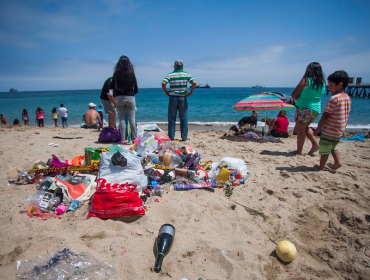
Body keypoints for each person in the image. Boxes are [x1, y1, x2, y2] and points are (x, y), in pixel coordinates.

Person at [313, 71, 351, 171]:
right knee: (333, 146)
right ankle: (338, 162)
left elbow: (326, 116)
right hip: (339, 130)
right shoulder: (347, 98)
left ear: (340, 84)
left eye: (331, 85)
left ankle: (320, 167)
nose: (329, 88)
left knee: (325, 148)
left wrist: (317, 130)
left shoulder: (334, 99)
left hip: (329, 130)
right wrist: (344, 129)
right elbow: (346, 115)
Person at [292, 62, 326, 156]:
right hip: (316, 110)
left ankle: (299, 152)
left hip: (304, 108)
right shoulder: (322, 83)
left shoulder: (306, 80)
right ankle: (314, 144)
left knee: (300, 130)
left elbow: (294, 95)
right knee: (305, 128)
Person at [162, 59, 196, 141]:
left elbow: (163, 83)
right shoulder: (186, 74)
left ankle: (171, 136)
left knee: (172, 118)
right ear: (182, 67)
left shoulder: (170, 74)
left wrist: (165, 91)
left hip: (173, 98)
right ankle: (184, 137)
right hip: (182, 98)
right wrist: (191, 92)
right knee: (184, 118)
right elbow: (194, 82)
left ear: (174, 66)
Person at [109, 55, 138, 143]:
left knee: (122, 120)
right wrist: (131, 94)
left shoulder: (116, 74)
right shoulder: (131, 73)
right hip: (130, 97)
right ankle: (135, 139)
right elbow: (136, 89)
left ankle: (122, 139)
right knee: (132, 119)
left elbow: (111, 87)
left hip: (119, 98)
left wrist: (115, 94)